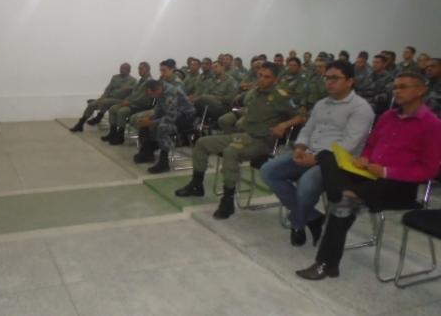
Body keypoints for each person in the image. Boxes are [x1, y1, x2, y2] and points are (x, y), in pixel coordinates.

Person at [296, 72, 441, 280]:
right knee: (327, 155)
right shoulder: (389, 116)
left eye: (403, 87)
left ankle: (325, 263)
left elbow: (429, 170)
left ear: (421, 90)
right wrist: (364, 158)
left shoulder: (432, 124)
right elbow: (371, 145)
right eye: (395, 87)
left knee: (343, 204)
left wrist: (386, 171)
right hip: (368, 174)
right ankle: (344, 192)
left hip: (397, 185)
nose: (397, 91)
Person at [260, 61, 374, 247]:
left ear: (350, 81)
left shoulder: (361, 109)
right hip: (309, 152)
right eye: (327, 78)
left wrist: (316, 159)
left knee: (306, 184)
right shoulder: (322, 103)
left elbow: (349, 144)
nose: (329, 82)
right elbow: (308, 128)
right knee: (268, 171)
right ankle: (313, 217)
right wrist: (300, 147)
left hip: (335, 162)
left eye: (335, 78)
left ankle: (297, 223)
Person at [175, 62, 305, 219]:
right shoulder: (255, 92)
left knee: (231, 152)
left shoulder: (280, 96)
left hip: (261, 142)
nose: (262, 79)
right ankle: (197, 185)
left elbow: (301, 116)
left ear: (276, 79)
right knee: (202, 143)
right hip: (243, 135)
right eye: (260, 75)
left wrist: (284, 125)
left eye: (267, 77)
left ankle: (227, 200)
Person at [133, 80, 196, 173]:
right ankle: (148, 152)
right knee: (144, 123)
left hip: (185, 118)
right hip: (173, 115)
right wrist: (149, 118)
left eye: (152, 94)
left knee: (163, 127)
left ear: (158, 89)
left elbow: (171, 117)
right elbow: (159, 108)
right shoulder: (161, 89)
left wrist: (151, 122)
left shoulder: (171, 93)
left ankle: (164, 161)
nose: (152, 97)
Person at [70, 63, 136, 132]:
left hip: (120, 100)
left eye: (124, 69)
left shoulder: (133, 80)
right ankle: (80, 124)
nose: (121, 70)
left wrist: (130, 88)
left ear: (129, 70)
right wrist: (102, 97)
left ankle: (99, 117)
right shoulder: (115, 77)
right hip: (109, 97)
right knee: (92, 104)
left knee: (105, 102)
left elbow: (135, 91)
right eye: (121, 68)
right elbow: (108, 89)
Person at [102, 62, 153, 144]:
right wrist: (126, 100)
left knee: (122, 111)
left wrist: (129, 102)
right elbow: (133, 94)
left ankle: (120, 136)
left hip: (140, 106)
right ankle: (112, 132)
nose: (139, 71)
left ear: (147, 70)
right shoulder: (140, 80)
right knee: (113, 109)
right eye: (138, 69)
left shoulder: (150, 82)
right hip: (132, 104)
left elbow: (143, 98)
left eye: (141, 69)